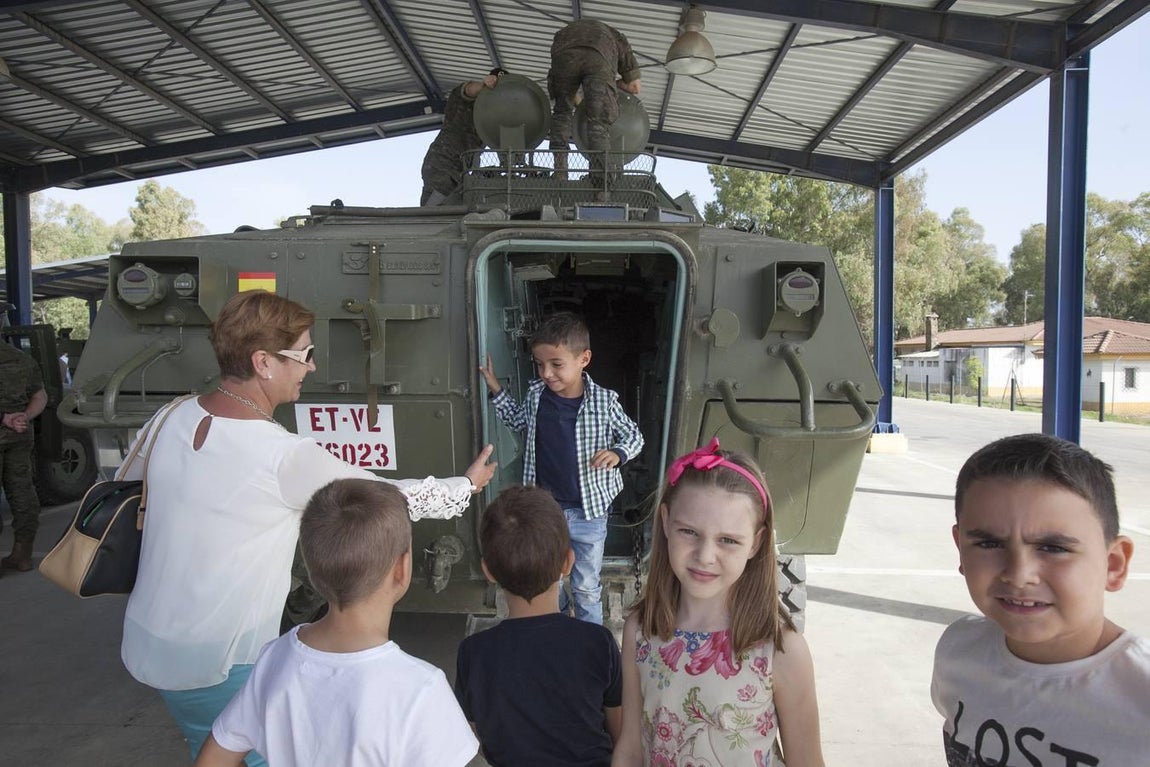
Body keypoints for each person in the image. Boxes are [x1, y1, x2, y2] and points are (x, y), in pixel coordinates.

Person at [120, 290, 496, 766]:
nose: (311, 367)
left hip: (151, 637)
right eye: (304, 354)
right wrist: (466, 483)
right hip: (220, 656)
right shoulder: (281, 456)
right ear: (263, 362)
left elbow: (128, 488)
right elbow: (382, 498)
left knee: (209, 745)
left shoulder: (169, 416)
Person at [194, 479, 478, 767]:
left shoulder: (274, 658)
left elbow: (213, 758)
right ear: (401, 570)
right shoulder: (421, 689)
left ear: (314, 572)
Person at [932, 433, 1148, 766]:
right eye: (989, 544)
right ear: (961, 549)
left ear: (1114, 565)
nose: (1018, 575)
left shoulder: (1140, 696)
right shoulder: (958, 651)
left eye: (1054, 548)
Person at [612, 439, 825, 767]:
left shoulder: (781, 650)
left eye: (728, 540)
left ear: (755, 544)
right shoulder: (640, 632)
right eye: (689, 532)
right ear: (666, 522)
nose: (705, 556)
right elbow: (630, 747)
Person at [479, 312, 643, 624]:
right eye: (539, 365)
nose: (547, 373)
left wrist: (617, 453)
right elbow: (518, 421)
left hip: (589, 512)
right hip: (546, 511)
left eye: (556, 364)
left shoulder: (604, 402)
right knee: (550, 579)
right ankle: (558, 622)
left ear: (584, 359)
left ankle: (590, 637)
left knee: (585, 585)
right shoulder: (537, 395)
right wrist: (496, 388)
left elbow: (634, 436)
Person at [455, 485, 622, 766]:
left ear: (488, 571)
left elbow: (474, 736)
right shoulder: (599, 642)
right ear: (568, 561)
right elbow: (620, 733)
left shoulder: (473, 653)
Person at [547, 19, 641, 178]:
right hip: (599, 55)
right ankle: (600, 182)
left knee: (562, 112)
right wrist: (607, 86)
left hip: (563, 52)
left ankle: (559, 172)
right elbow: (634, 87)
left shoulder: (566, 32)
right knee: (598, 123)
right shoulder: (617, 38)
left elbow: (572, 97)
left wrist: (581, 94)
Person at [0, 317, 48, 575]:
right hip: (19, 434)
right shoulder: (22, 359)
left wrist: (3, 418)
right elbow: (40, 396)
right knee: (23, 493)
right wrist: (24, 417)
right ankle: (22, 556)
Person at [420, 68, 507, 206]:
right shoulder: (463, 99)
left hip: (461, 173)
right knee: (432, 212)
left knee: (452, 212)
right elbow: (467, 90)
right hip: (443, 164)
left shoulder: (491, 115)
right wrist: (484, 85)